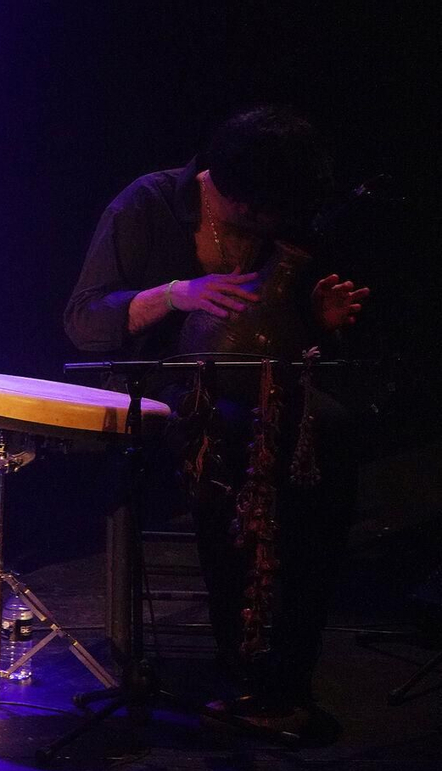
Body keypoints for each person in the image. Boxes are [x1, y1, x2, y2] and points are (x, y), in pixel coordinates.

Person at [65, 106, 367, 736]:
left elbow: (285, 328)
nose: (267, 224)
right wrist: (177, 294)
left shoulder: (281, 217)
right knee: (227, 438)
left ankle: (290, 675)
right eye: (256, 212)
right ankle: (246, 667)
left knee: (332, 433)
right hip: (172, 393)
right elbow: (84, 322)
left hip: (268, 387)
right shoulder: (148, 205)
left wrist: (319, 317)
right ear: (223, 184)